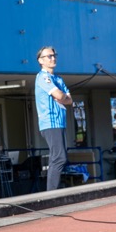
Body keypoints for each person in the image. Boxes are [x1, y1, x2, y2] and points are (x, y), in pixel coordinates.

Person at [35, 46, 72, 191]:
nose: (53, 58)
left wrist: (63, 97)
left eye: (54, 55)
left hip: (59, 122)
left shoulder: (58, 79)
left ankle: (52, 191)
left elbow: (69, 100)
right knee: (59, 158)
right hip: (50, 123)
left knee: (57, 158)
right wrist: (62, 97)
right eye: (49, 56)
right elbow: (61, 96)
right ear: (40, 60)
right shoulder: (43, 77)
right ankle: (51, 194)